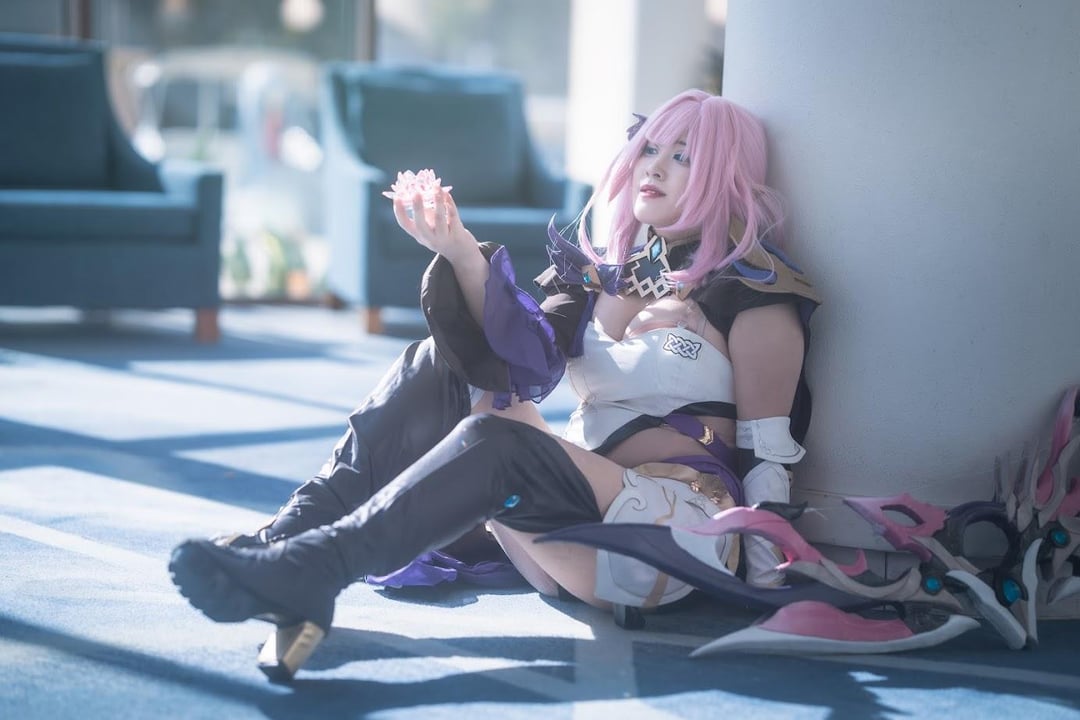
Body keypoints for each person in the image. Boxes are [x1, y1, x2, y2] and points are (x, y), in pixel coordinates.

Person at [168, 89, 821, 680]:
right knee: (439, 362)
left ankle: (312, 570)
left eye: (683, 156)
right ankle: (289, 538)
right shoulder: (600, 275)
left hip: (669, 535)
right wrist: (458, 249)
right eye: (650, 149)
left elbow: (768, 459)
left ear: (723, 175)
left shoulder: (755, 289)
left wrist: (766, 588)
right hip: (569, 518)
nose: (654, 167)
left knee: (498, 439)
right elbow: (521, 356)